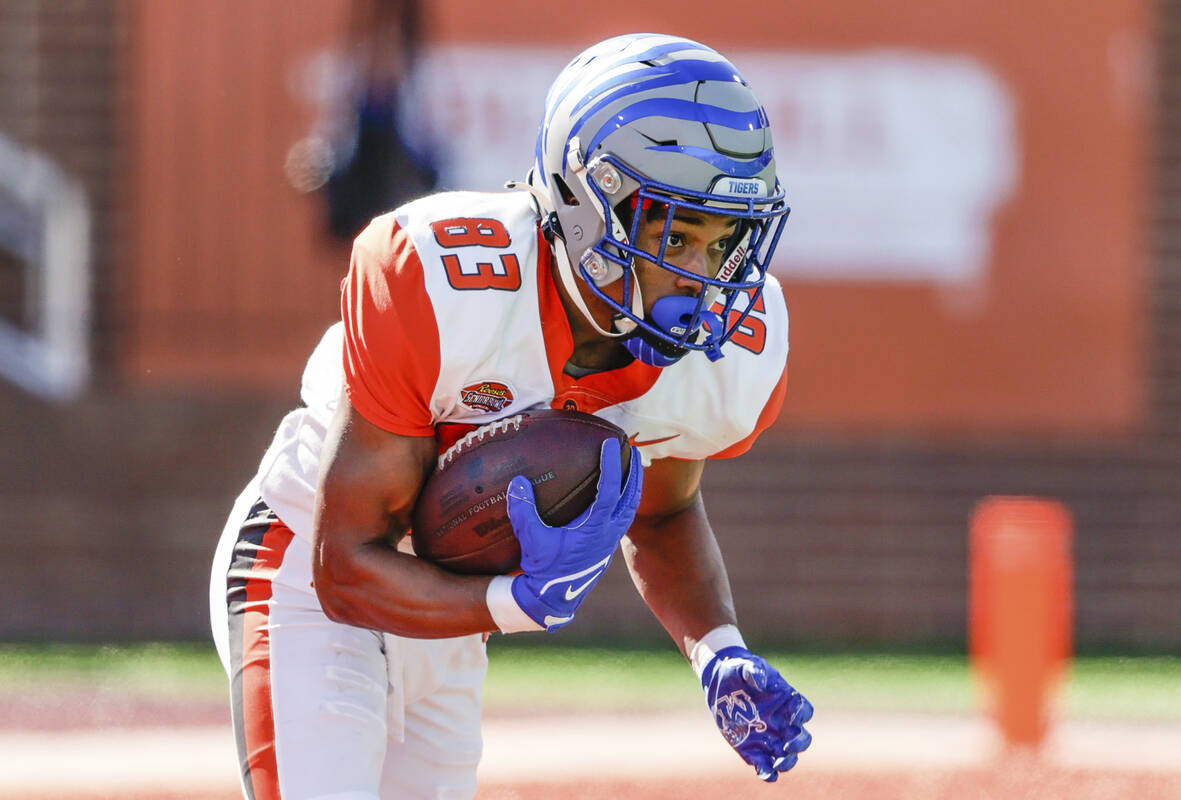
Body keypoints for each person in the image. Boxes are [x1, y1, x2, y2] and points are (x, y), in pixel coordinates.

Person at [209, 32, 813, 799]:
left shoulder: (722, 361)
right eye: (676, 236)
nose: (703, 277)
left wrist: (718, 648)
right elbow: (342, 568)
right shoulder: (436, 279)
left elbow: (661, 514)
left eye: (724, 241)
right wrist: (515, 604)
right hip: (308, 572)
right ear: (593, 206)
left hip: (448, 621)